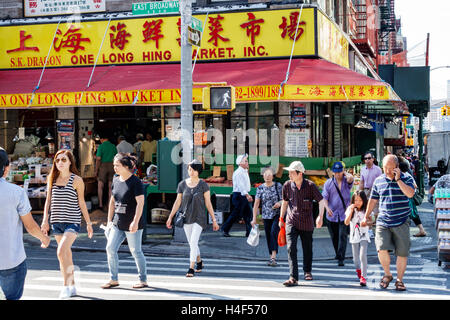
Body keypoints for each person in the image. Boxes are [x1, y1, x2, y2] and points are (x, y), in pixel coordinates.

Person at [41, 149, 94, 299]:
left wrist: (89, 223)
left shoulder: (77, 180)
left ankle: (65, 287)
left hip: (72, 221)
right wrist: (45, 220)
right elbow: (48, 201)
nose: (60, 163)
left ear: (70, 162)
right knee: (65, 255)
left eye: (64, 160)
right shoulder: (52, 178)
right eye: (57, 160)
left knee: (60, 251)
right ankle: (72, 285)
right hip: (56, 222)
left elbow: (82, 202)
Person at [0, 148, 50, 300]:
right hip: (10, 259)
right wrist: (44, 238)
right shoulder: (16, 192)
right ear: (6, 168)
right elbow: (30, 226)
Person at [361, 155, 415, 291]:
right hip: (383, 220)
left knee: (402, 253)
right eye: (385, 168)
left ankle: (399, 280)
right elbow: (373, 200)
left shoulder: (407, 178)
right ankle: (388, 274)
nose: (387, 171)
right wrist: (366, 216)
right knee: (381, 248)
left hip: (401, 220)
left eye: (390, 168)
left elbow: (410, 194)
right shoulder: (378, 181)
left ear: (397, 167)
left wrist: (398, 181)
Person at [102, 153, 148, 289]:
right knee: (110, 248)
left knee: (135, 251)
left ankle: (143, 279)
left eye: (117, 165)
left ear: (126, 167)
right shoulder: (116, 180)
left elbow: (140, 203)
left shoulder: (136, 182)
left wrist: (135, 222)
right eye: (114, 165)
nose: (114, 168)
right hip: (118, 222)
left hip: (132, 223)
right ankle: (113, 279)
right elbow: (112, 201)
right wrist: (109, 220)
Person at [166, 159, 219, 277]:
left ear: (198, 171)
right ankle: (199, 262)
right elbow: (177, 202)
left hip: (199, 218)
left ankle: (191, 268)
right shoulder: (182, 184)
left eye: (194, 170)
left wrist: (214, 220)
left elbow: (208, 203)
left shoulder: (203, 185)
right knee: (192, 243)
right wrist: (170, 217)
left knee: (194, 241)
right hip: (186, 217)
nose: (191, 172)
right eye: (190, 169)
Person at [279, 161, 328, 286]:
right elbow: (284, 202)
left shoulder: (310, 186)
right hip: (292, 221)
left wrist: (320, 217)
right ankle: (293, 277)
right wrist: (281, 218)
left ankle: (307, 271)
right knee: (291, 248)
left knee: (307, 248)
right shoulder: (287, 186)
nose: (289, 174)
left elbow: (321, 201)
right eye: (289, 172)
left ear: (300, 173)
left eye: (291, 172)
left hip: (307, 223)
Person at [322, 161, 354, 266]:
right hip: (332, 214)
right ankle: (337, 253)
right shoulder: (328, 183)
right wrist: (327, 208)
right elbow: (325, 198)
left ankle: (341, 258)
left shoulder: (346, 181)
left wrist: (346, 174)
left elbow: (351, 179)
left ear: (343, 172)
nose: (337, 174)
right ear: (332, 172)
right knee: (334, 237)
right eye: (335, 172)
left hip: (344, 213)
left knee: (342, 236)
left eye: (339, 172)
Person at [251, 167, 283, 267]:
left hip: (276, 214)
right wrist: (254, 219)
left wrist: (279, 203)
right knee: (269, 236)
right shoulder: (260, 188)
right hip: (265, 215)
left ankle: (273, 257)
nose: (267, 177)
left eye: (269, 175)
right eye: (265, 175)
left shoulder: (278, 186)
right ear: (263, 176)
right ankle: (271, 257)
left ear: (273, 176)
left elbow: (285, 200)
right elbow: (256, 204)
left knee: (274, 233)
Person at [221, 154, 253, 237]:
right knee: (236, 214)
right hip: (240, 195)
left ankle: (249, 232)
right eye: (245, 161)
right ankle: (225, 229)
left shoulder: (244, 171)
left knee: (248, 214)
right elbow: (241, 186)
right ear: (240, 163)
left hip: (242, 195)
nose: (247, 162)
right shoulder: (238, 172)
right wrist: (247, 195)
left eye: (247, 161)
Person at [344, 190, 371, 286]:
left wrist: (366, 222)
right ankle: (359, 271)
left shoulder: (366, 210)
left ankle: (364, 276)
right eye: (356, 200)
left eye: (360, 200)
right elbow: (346, 222)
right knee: (355, 259)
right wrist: (351, 211)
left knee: (362, 255)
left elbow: (371, 223)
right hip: (354, 236)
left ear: (364, 201)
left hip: (364, 235)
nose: (358, 202)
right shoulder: (350, 209)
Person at [398, 157, 427, 237]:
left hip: (406, 199)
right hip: (410, 198)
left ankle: (405, 233)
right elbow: (415, 186)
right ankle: (421, 230)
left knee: (406, 215)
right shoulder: (409, 175)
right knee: (414, 215)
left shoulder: (403, 177)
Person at [359, 152, 382, 236]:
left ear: (373, 159)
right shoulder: (362, 169)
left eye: (369, 158)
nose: (367, 160)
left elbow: (380, 181)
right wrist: (359, 192)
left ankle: (378, 229)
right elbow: (361, 182)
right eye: (366, 158)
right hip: (366, 191)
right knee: (367, 211)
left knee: (376, 211)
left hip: (375, 191)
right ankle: (369, 229)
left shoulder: (378, 169)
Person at [95, 134, 117, 210]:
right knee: (110, 187)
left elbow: (98, 158)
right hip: (112, 166)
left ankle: (100, 204)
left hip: (103, 166)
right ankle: (109, 204)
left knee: (100, 186)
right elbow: (116, 158)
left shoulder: (101, 146)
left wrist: (96, 170)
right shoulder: (113, 146)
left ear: (102, 139)